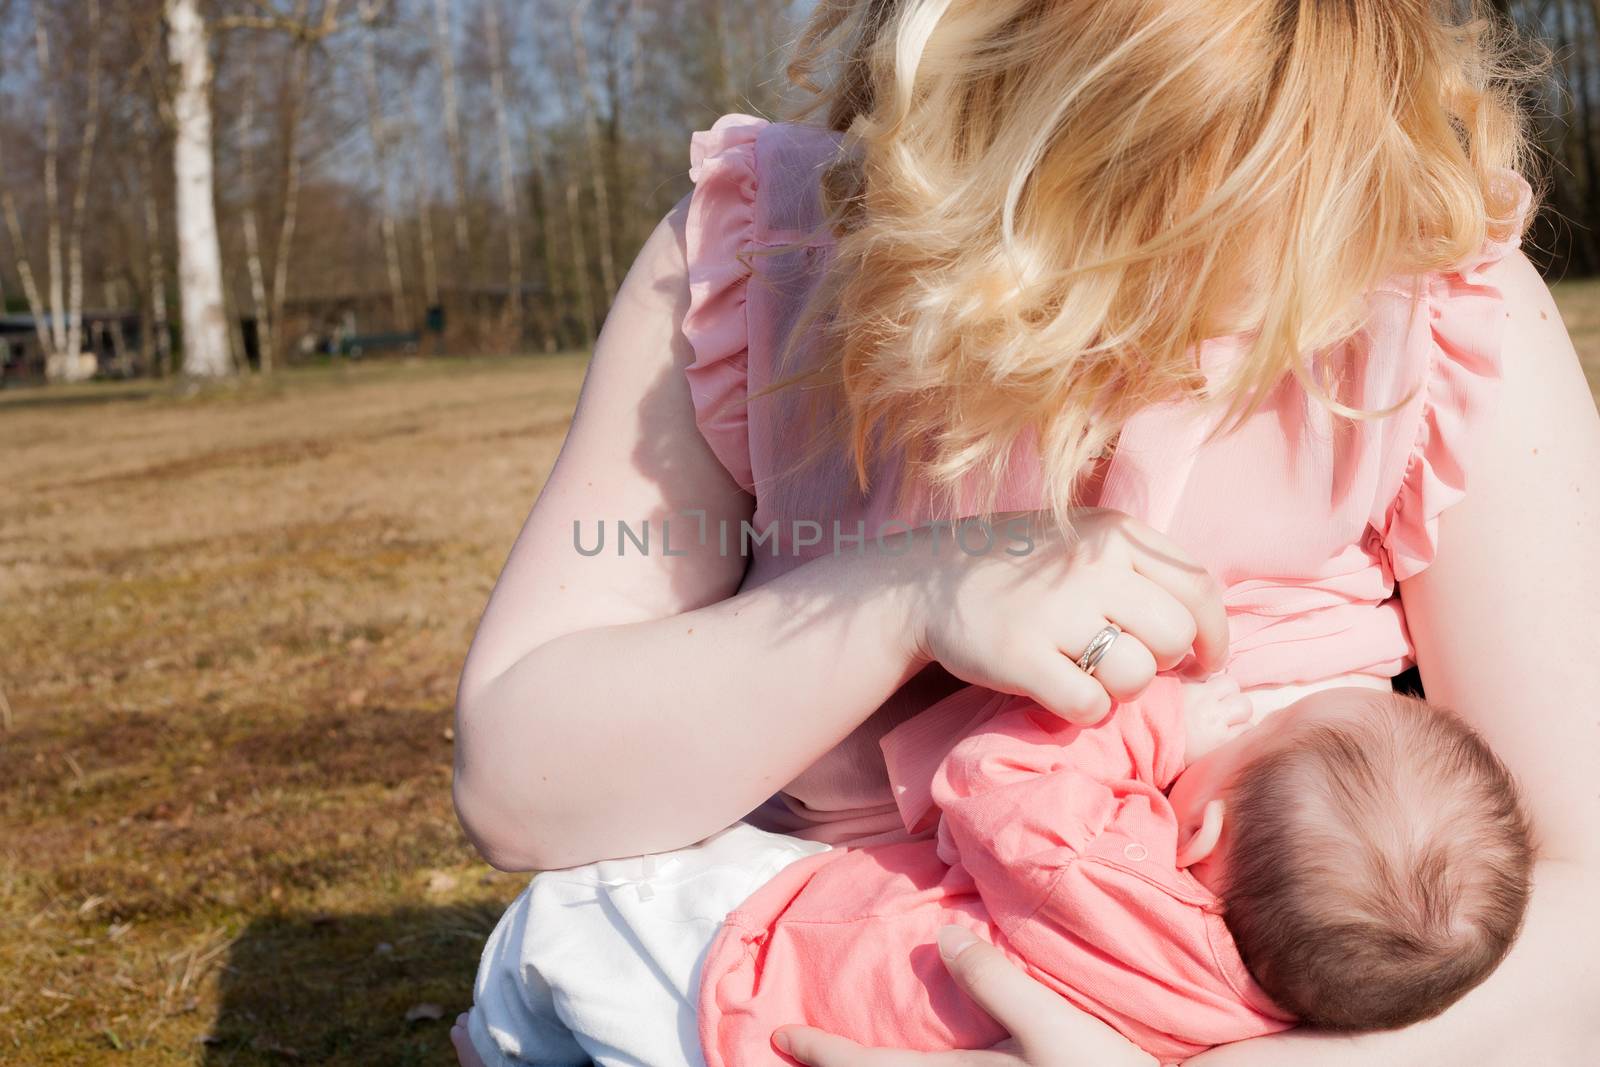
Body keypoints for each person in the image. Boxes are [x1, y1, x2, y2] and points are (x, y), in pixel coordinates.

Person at [451, 1, 1600, 1064]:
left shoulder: (1435, 298)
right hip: (796, 969)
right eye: (1152, 232)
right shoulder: (761, 255)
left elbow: (1583, 908)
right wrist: (906, 597)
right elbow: (518, 779)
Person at [462, 674, 1531, 1067]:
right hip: (785, 1036)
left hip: (741, 964)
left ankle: (496, 1029)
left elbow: (996, 773)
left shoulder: (1095, 867)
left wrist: (1158, 719)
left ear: (1198, 832)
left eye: (1254, 728)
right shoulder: (1236, 1010)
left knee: (577, 917)